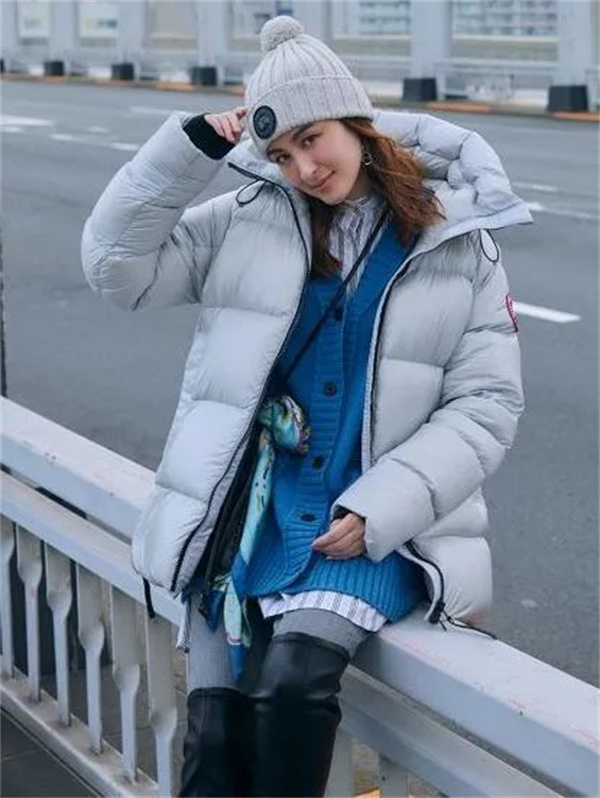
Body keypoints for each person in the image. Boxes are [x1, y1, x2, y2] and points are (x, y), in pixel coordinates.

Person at [81, 15, 530, 798]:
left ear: (355, 121)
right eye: (282, 155)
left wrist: (380, 506)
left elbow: (486, 404)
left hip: (372, 532)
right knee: (214, 739)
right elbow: (115, 270)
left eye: (313, 139)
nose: (304, 169)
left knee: (292, 685)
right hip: (246, 520)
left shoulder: (458, 241)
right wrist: (188, 149)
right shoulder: (247, 221)